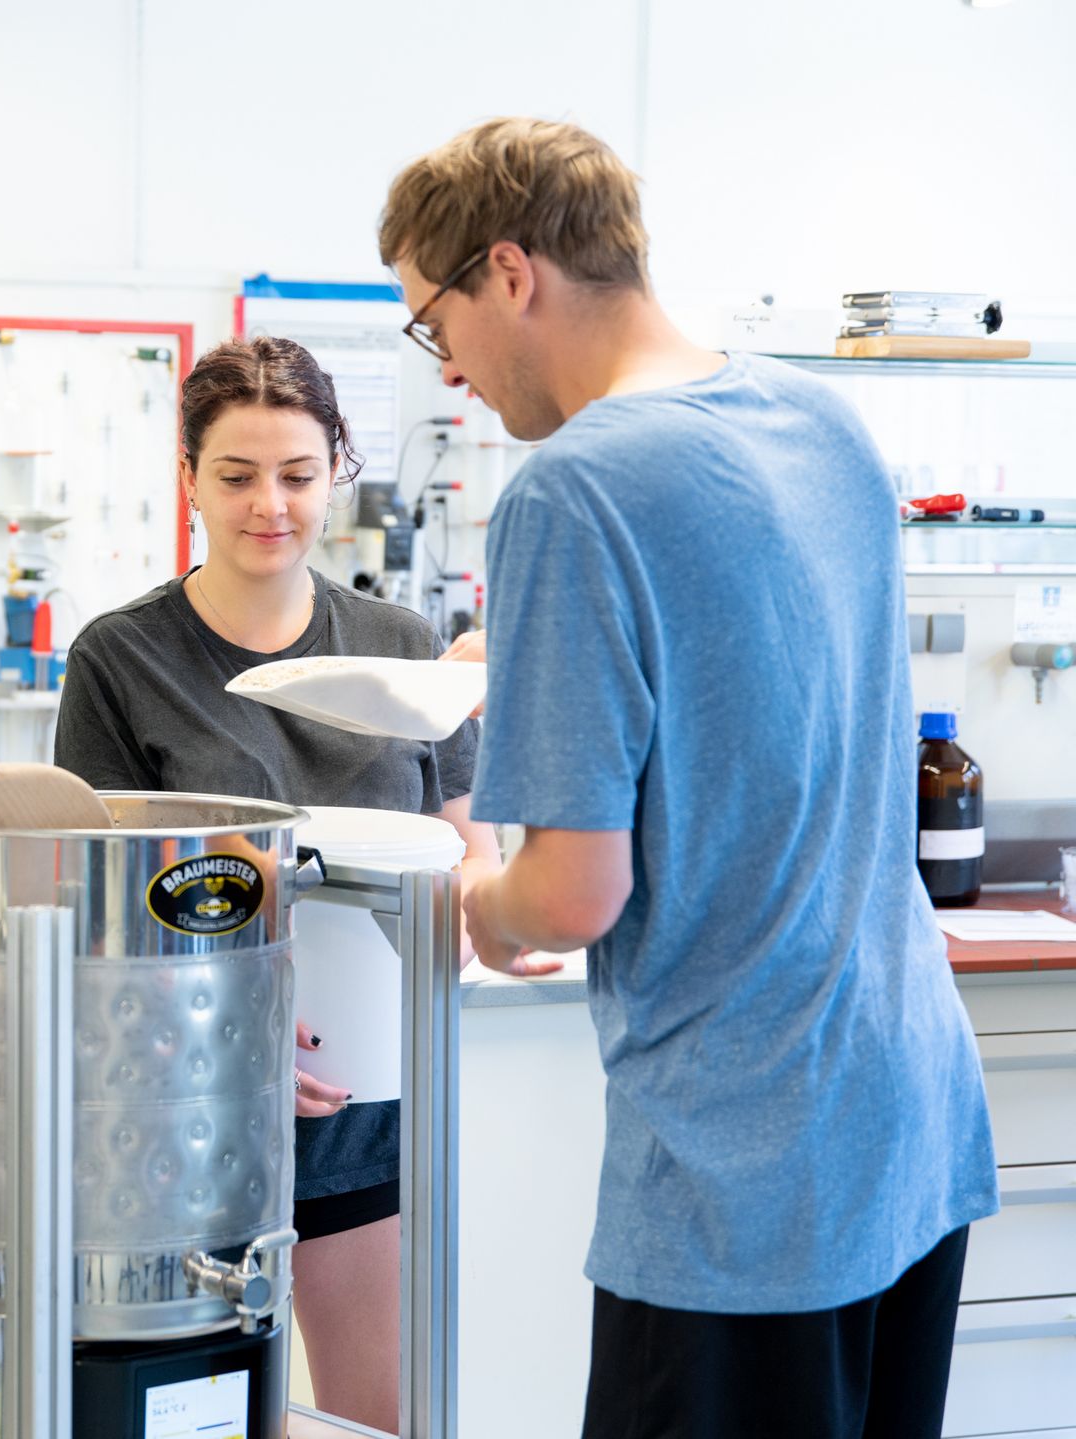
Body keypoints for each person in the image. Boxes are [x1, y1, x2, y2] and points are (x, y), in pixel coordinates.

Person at [378, 117, 998, 1438]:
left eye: (436, 326)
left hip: (743, 1176)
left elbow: (573, 892)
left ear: (508, 272)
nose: (455, 375)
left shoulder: (572, 492)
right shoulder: (822, 422)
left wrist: (480, 893)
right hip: (908, 1118)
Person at [53, 335, 496, 1431]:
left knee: (377, 1412)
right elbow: (93, 902)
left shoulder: (398, 642)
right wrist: (229, 1023)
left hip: (371, 1101)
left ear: (337, 470)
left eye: (298, 474)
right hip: (185, 1102)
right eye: (238, 475)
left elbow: (469, 847)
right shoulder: (124, 658)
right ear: (190, 477)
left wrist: (489, 911)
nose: (271, 505)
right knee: (193, 1413)